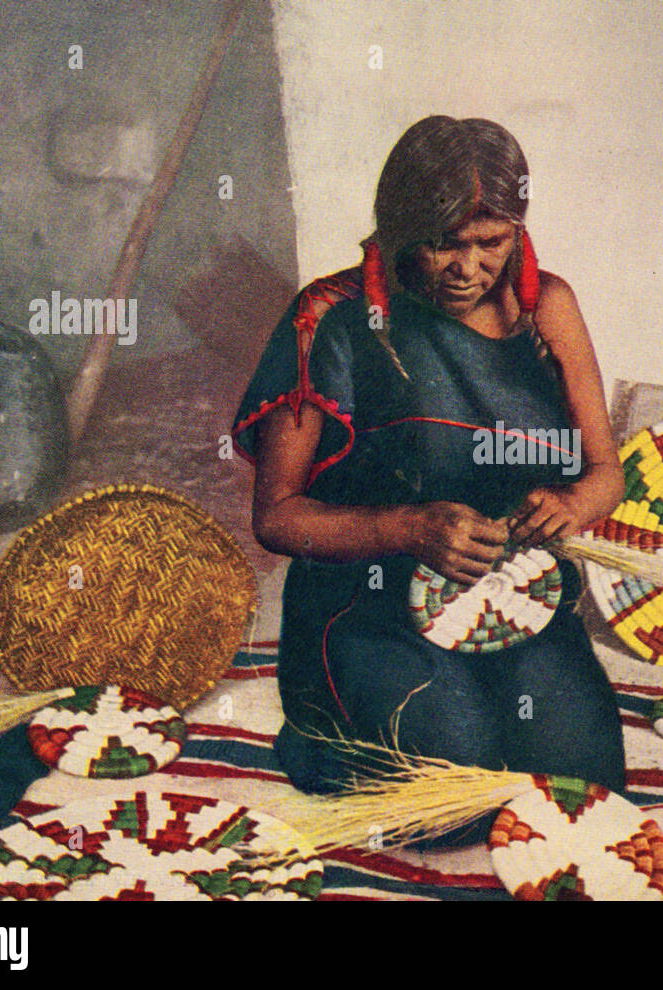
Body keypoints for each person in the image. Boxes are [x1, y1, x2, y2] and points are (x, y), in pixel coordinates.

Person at [231, 116, 627, 811]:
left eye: (491, 243)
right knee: (451, 793)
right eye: (442, 244)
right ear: (399, 227)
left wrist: (571, 506)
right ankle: (324, 729)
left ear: (516, 232)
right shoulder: (333, 319)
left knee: (580, 782)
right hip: (369, 604)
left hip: (514, 602)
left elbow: (605, 474)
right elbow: (276, 516)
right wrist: (408, 529)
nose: (467, 268)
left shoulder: (547, 309)